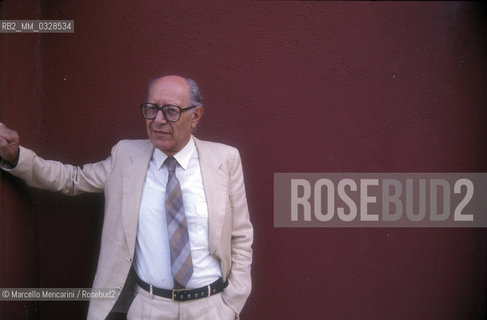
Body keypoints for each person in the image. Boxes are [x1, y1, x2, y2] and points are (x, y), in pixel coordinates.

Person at [0, 75, 253, 320]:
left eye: (171, 111)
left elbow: (241, 235)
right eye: (151, 109)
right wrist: (16, 157)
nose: (158, 120)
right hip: (149, 307)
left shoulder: (224, 159)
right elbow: (72, 179)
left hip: (210, 309)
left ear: (195, 115)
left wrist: (231, 303)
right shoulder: (126, 156)